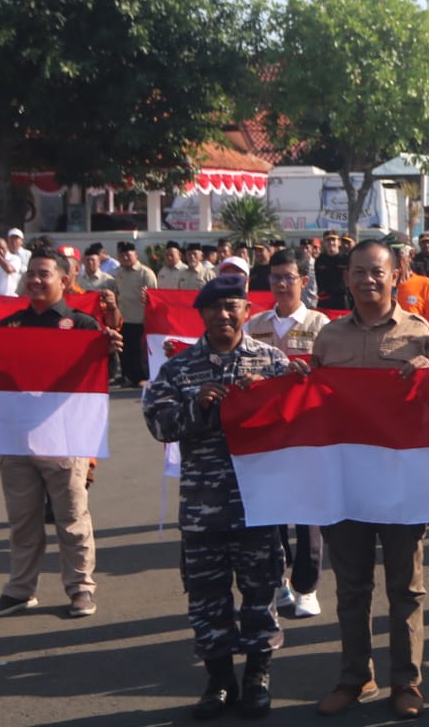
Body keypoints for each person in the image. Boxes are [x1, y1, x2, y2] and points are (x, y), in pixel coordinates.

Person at [309, 240, 429, 719]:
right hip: (347, 482)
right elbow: (313, 405)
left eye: (378, 272)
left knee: (406, 589)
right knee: (351, 588)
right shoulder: (328, 338)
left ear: (396, 276)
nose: (368, 280)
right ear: (345, 278)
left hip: (401, 483)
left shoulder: (419, 332)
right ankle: (355, 677)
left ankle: (406, 682)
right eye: (358, 272)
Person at [143, 274, 290, 719]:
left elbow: (295, 424)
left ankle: (257, 677)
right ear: (202, 313)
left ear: (248, 312)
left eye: (233, 307)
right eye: (214, 308)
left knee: (259, 594)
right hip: (203, 508)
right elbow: (158, 424)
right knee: (207, 599)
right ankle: (219, 680)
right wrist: (198, 408)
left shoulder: (272, 363)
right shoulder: (180, 368)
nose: (224, 315)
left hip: (259, 507)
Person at [0, 250, 121, 621]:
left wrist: (110, 349)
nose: (35, 280)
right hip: (16, 439)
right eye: (31, 274)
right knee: (22, 520)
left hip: (64, 438)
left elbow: (106, 377)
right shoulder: (10, 326)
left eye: (44, 274)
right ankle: (20, 590)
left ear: (64, 279)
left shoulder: (84, 326)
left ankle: (81, 590)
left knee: (71, 518)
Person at [243, 249, 332, 621]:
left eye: (289, 277)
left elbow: (330, 377)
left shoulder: (320, 324)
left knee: (308, 513)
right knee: (271, 511)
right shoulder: (256, 324)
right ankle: (278, 580)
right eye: (275, 277)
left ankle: (307, 586)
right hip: (268, 433)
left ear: (304, 282)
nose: (281, 284)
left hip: (307, 431)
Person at [113, 240, 158, 386]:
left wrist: (149, 319)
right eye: (122, 255)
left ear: (136, 255)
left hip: (140, 318)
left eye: (128, 254)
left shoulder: (146, 273)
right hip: (123, 318)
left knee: (139, 352)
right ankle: (129, 377)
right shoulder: (118, 273)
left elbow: (153, 297)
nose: (125, 257)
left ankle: (142, 377)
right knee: (125, 351)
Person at [391, 242, 429, 319]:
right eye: (388, 256)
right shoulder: (379, 286)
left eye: (397, 255)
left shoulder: (425, 285)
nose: (392, 261)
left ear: (410, 255)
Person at [311, 231, 350, 311]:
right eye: (328, 240)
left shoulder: (346, 259)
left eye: (333, 240)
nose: (331, 243)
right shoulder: (320, 260)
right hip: (325, 299)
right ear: (324, 243)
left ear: (339, 242)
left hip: (342, 299)